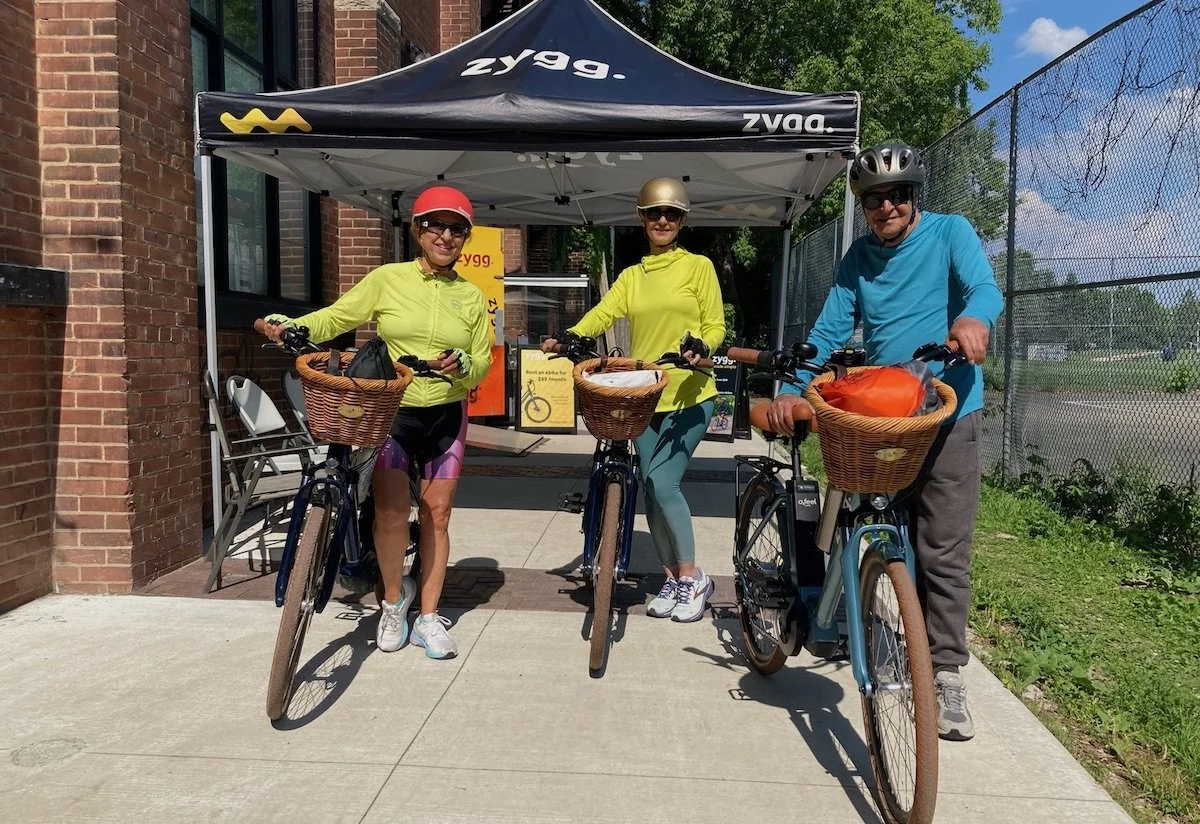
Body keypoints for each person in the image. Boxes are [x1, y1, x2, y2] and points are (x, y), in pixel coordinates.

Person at [765, 143, 1003, 741]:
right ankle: (890, 626)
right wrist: (790, 390)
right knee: (878, 528)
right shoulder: (859, 258)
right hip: (883, 417)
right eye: (874, 199)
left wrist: (972, 319)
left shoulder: (950, 233)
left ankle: (945, 673)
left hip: (948, 413)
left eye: (898, 195)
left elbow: (984, 288)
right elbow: (828, 329)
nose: (886, 207)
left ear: (915, 196)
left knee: (944, 548)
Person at [259, 185, 492, 659]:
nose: (446, 236)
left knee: (438, 514)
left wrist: (464, 364)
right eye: (436, 225)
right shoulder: (388, 278)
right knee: (388, 512)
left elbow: (482, 361)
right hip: (394, 409)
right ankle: (392, 601)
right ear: (418, 230)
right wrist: (290, 324)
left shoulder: (471, 296)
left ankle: (428, 617)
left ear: (465, 238)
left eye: (457, 229)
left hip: (446, 412)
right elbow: (336, 317)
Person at [543, 177, 726, 622]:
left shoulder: (698, 267)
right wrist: (572, 334)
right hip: (646, 399)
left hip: (690, 394)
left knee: (663, 484)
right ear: (642, 218)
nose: (663, 220)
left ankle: (693, 577)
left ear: (682, 220)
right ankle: (671, 578)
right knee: (649, 487)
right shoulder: (632, 276)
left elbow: (716, 324)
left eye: (672, 214)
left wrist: (702, 346)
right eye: (654, 213)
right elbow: (604, 312)